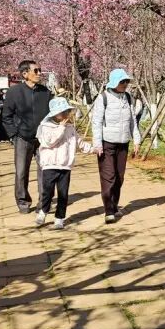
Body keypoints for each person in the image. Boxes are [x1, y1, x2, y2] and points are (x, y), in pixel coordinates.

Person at [90, 68, 142, 224]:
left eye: (127, 81)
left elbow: (133, 120)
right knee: (109, 176)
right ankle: (108, 210)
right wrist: (97, 144)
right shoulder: (103, 98)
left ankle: (114, 205)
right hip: (107, 143)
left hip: (123, 143)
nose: (125, 84)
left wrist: (136, 140)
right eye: (122, 81)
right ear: (114, 82)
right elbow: (96, 122)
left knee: (119, 177)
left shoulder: (128, 97)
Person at [2, 61, 51, 213]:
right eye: (35, 70)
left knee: (45, 171)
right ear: (25, 74)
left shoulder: (45, 92)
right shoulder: (14, 92)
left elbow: (52, 114)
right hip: (22, 138)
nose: (39, 73)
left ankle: (43, 203)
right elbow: (6, 116)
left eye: (40, 70)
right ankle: (23, 201)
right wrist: (14, 135)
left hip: (43, 138)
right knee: (21, 171)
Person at [36, 97, 89, 229]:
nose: (65, 114)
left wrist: (94, 149)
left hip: (65, 166)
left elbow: (79, 143)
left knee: (63, 194)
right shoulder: (45, 127)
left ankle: (60, 218)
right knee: (47, 192)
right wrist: (61, 127)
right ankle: (44, 211)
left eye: (67, 111)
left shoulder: (70, 128)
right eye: (62, 112)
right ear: (54, 113)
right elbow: (49, 142)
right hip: (50, 165)